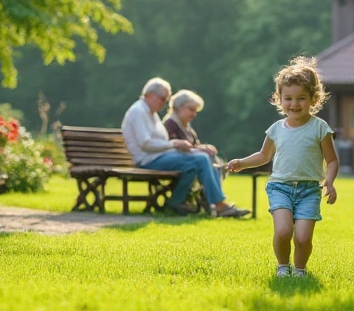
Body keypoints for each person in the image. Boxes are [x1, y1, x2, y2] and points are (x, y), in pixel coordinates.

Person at [227, 57, 338, 277]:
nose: (294, 104)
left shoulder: (320, 128)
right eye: (288, 98)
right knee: (284, 231)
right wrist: (242, 163)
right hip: (280, 187)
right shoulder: (276, 129)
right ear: (280, 99)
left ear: (313, 99)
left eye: (301, 98)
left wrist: (330, 181)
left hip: (309, 190)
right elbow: (263, 155)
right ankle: (282, 266)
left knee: (304, 237)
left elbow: (332, 160)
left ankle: (299, 270)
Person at [122, 78, 249, 218]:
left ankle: (176, 202)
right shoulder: (139, 111)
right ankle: (219, 205)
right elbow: (145, 143)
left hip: (158, 156)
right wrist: (174, 144)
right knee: (201, 158)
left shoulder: (150, 114)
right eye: (162, 98)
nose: (164, 103)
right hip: (148, 160)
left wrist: (184, 147)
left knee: (194, 165)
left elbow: (159, 143)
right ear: (150, 95)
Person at [164, 89, 217, 158]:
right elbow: (174, 148)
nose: (194, 114)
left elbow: (194, 146)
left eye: (196, 111)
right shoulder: (170, 125)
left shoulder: (187, 128)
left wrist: (205, 148)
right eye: (191, 109)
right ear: (178, 107)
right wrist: (199, 149)